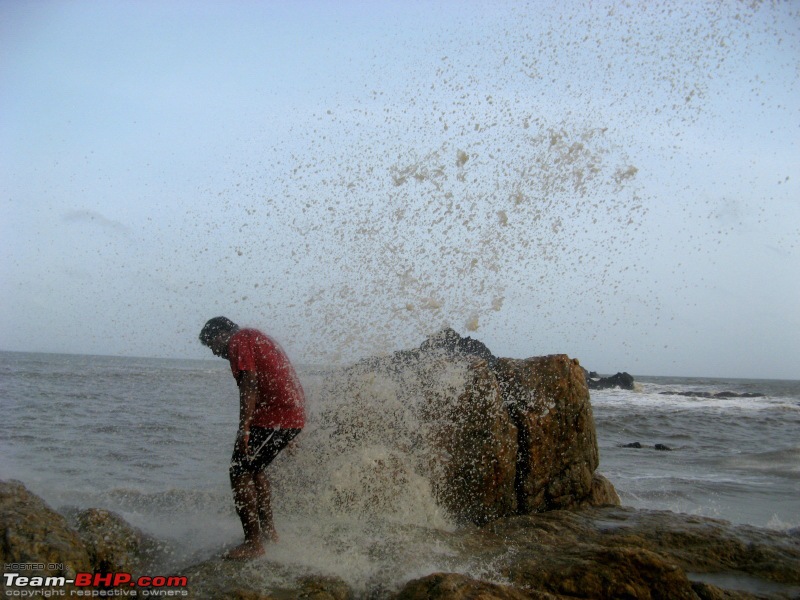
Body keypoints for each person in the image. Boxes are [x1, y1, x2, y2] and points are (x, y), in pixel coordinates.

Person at [199, 316, 305, 560]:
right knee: (254, 469)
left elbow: (250, 382)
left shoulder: (238, 341)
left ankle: (253, 543)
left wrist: (244, 428)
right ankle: (268, 534)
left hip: (277, 417)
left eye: (212, 344)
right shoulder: (254, 336)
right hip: (284, 415)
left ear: (222, 333)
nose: (215, 352)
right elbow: (282, 375)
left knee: (239, 472)